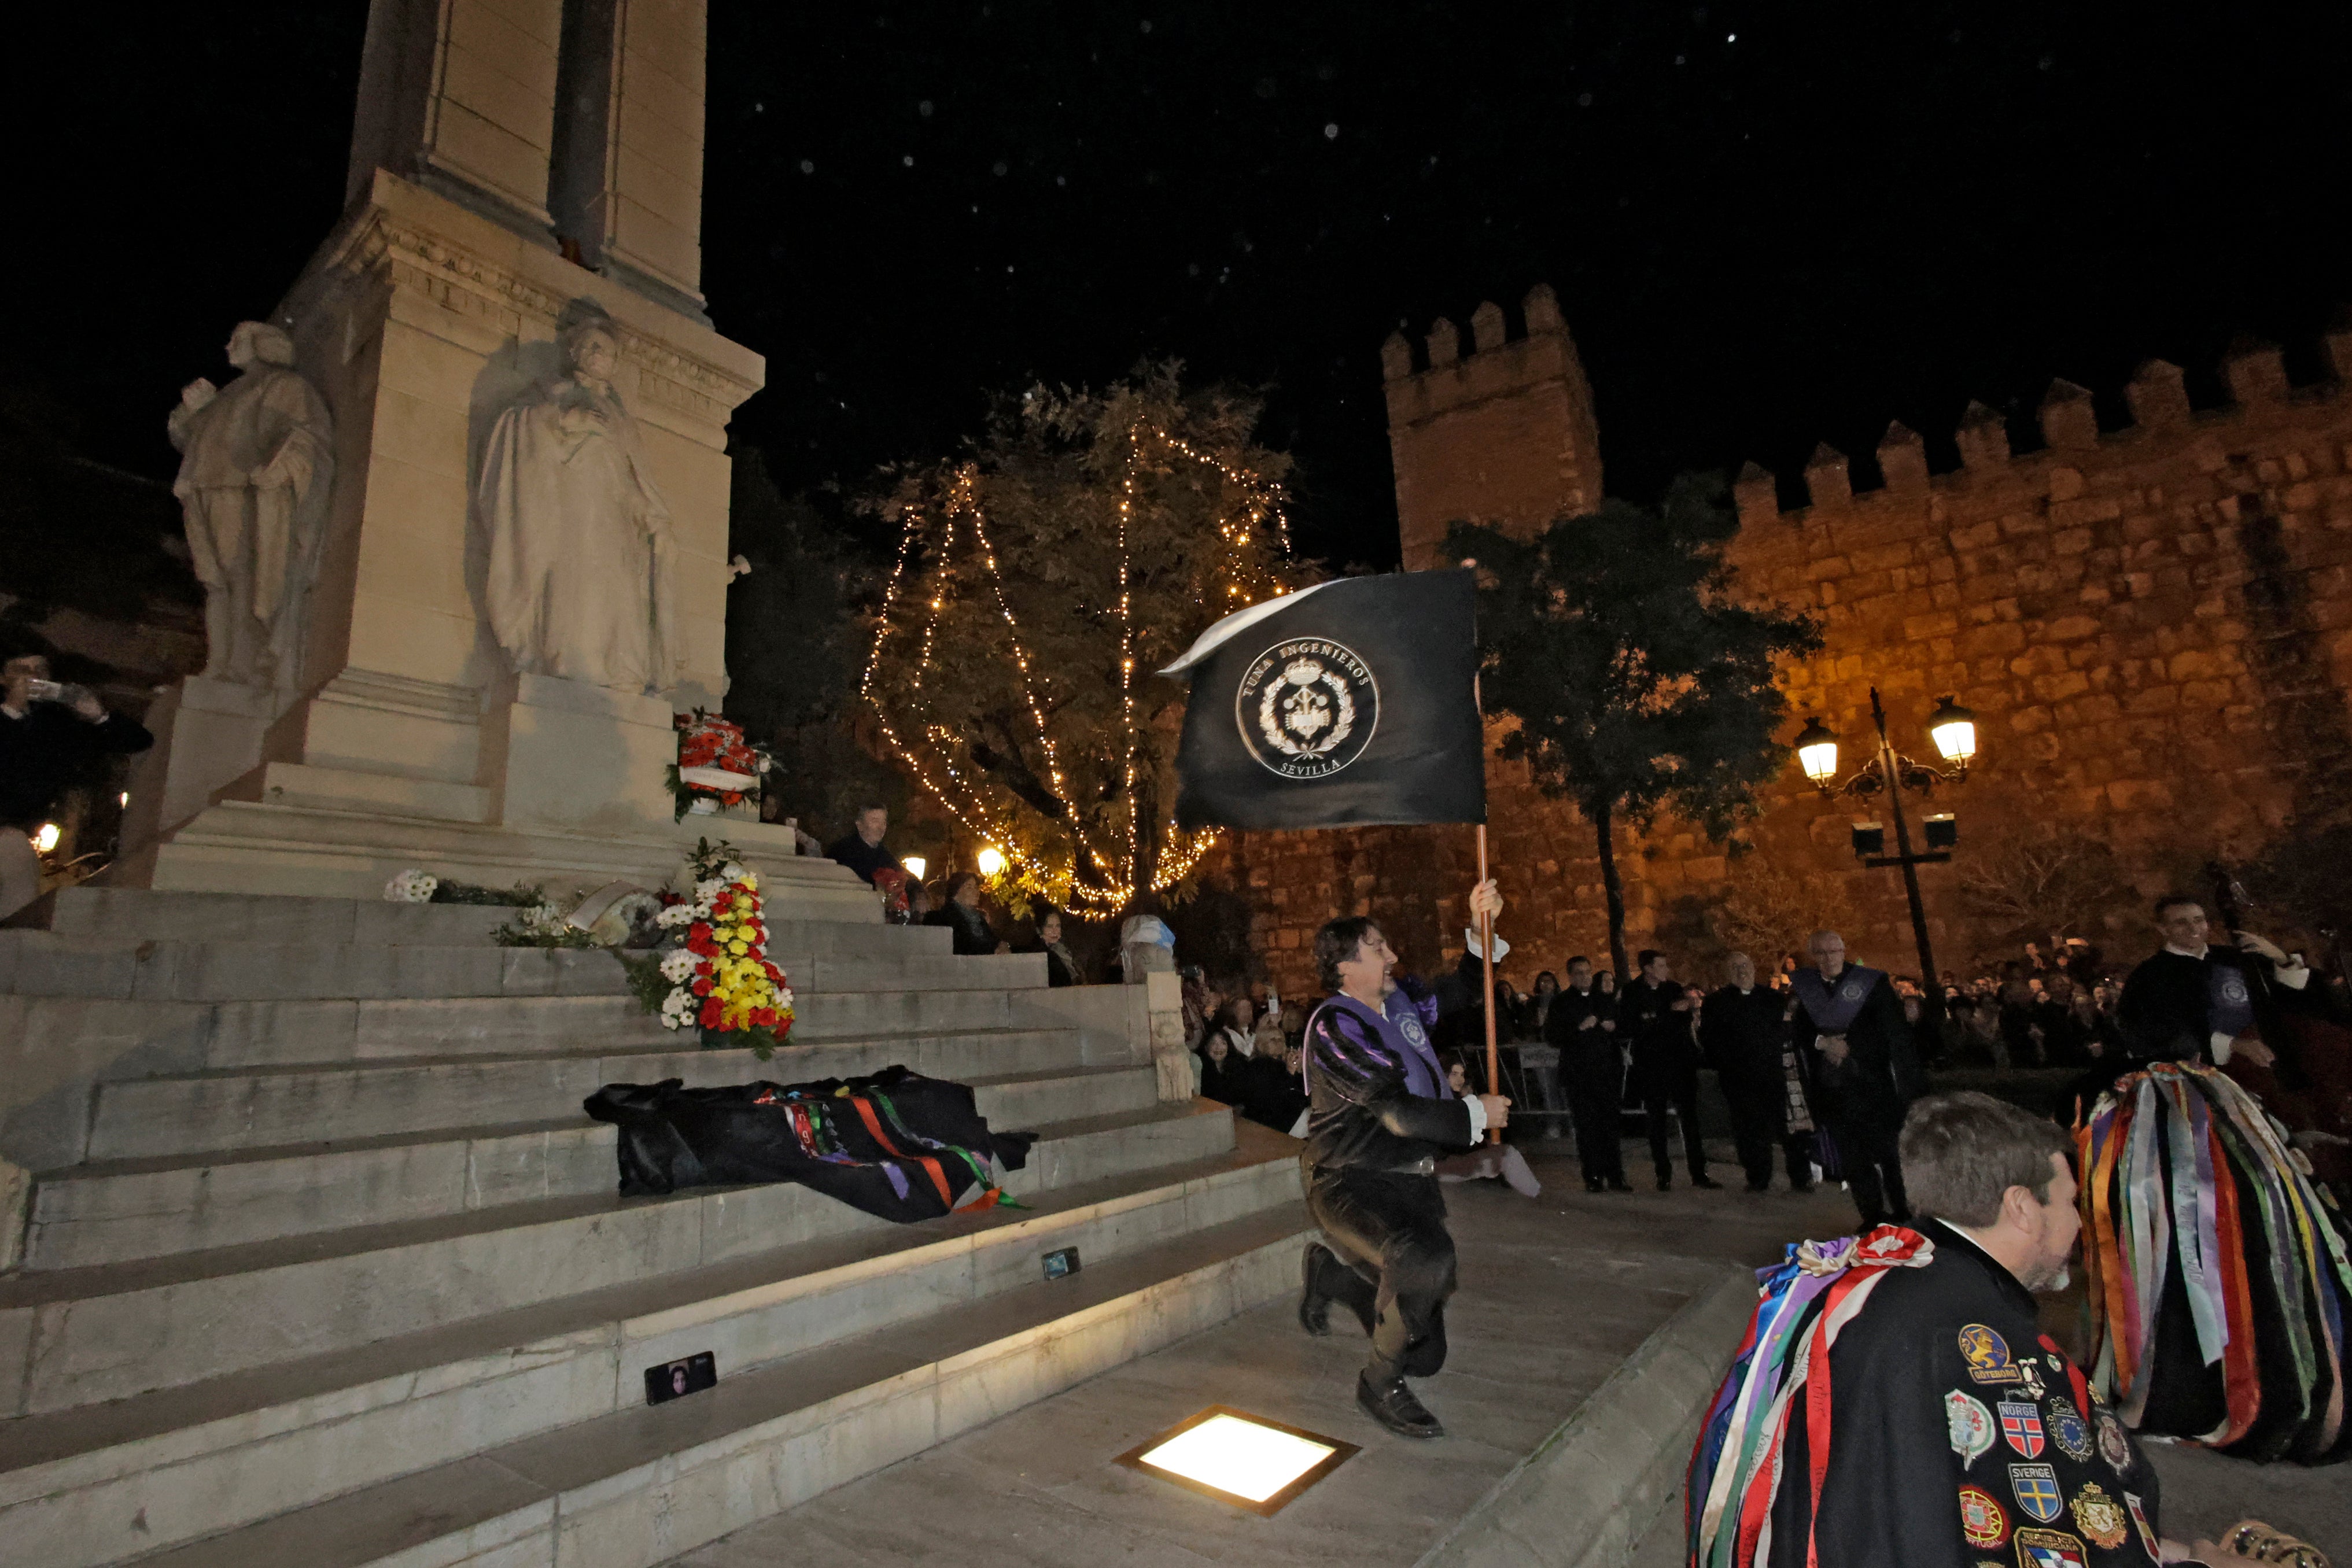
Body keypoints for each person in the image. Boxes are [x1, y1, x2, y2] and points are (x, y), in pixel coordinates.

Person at [1689, 1091, 2306, 1568]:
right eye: (2067, 1202)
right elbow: (2064, 1528)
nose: (2077, 1226)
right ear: (2020, 1206)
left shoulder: (1880, 1273)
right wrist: (2195, 1557)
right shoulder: (1984, 1340)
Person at [2083, 895, 2352, 1460]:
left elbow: (2310, 1003)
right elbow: (2150, 1038)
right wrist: (2229, 1045)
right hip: (2195, 1111)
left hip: (2259, 1103)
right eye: (2180, 922)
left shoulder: (2232, 961)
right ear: (2161, 927)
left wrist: (2283, 959)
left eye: (2198, 919)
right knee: (2213, 1217)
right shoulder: (2152, 977)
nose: (2192, 928)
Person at [1295, 881, 1511, 1440]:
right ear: (1344, 965)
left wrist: (1481, 927)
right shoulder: (1334, 1026)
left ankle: (1334, 1278)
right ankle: (1378, 1382)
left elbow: (1462, 988)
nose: (1392, 956)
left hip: (1406, 1179)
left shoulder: (1399, 1005)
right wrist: (1473, 1114)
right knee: (1426, 1254)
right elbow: (1395, 1112)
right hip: (1348, 1178)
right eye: (1377, 947)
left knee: (1429, 1354)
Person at [0, 655, 153, 921]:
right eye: (22, 670)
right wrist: (13, 708)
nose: (33, 675)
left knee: (18, 907)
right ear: (3, 679)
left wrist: (98, 716)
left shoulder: (58, 725)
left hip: (12, 835)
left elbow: (138, 741)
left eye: (41, 670)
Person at [1789, 930, 1925, 1228]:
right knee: (1853, 1158)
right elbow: (1798, 1032)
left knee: (1891, 1155)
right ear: (1815, 957)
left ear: (1843, 950)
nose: (1829, 959)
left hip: (1874, 1086)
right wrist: (1822, 1044)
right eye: (1821, 954)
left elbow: (1891, 1029)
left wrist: (1851, 1048)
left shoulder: (1870, 983)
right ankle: (1872, 1217)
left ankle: (1904, 1214)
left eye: (1834, 951)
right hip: (1834, 1090)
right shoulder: (1807, 989)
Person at [1701, 953, 1815, 1193]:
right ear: (1727, 973)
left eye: (1745, 965)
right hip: (1740, 1078)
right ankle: (1758, 1177)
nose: (1741, 971)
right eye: (1735, 967)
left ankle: (1801, 1176)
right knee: (1750, 1131)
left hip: (1776, 1074)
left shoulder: (1773, 998)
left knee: (1790, 1129)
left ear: (1753, 968)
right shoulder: (1717, 1003)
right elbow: (1711, 1040)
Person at [1621, 949, 1716, 1191]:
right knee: (1657, 1121)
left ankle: (1699, 1172)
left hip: (1680, 1065)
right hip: (1652, 1067)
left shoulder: (1673, 988)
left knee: (1690, 1119)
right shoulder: (1633, 992)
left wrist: (1671, 1015)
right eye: (1661, 966)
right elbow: (1636, 1025)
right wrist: (1667, 1013)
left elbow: (1681, 1020)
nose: (1666, 970)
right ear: (1648, 969)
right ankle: (1663, 1174)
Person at [1546, 956, 1630, 1193]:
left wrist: (1614, 1027)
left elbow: (1621, 1026)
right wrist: (1578, 1028)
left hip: (1606, 1073)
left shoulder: (1602, 1000)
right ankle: (1592, 1176)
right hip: (1579, 1076)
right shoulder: (1561, 1003)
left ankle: (1616, 1176)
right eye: (1579, 973)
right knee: (1586, 1128)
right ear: (1570, 976)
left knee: (1610, 1127)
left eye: (1588, 972)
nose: (1585, 977)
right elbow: (1552, 1036)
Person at [925, 870, 1009, 956]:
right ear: (955, 892)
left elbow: (995, 941)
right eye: (969, 888)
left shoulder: (979, 919)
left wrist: (1002, 945)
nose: (976, 892)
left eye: (976, 887)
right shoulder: (941, 918)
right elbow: (963, 947)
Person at [824, 805, 902, 887]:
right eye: (875, 821)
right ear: (859, 825)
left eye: (884, 823)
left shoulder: (885, 856)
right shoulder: (842, 852)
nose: (881, 827)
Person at [1026, 909, 1082, 987]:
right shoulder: (1039, 953)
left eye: (1058, 926)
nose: (1055, 931)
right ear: (1039, 930)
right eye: (1049, 927)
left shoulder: (1066, 950)